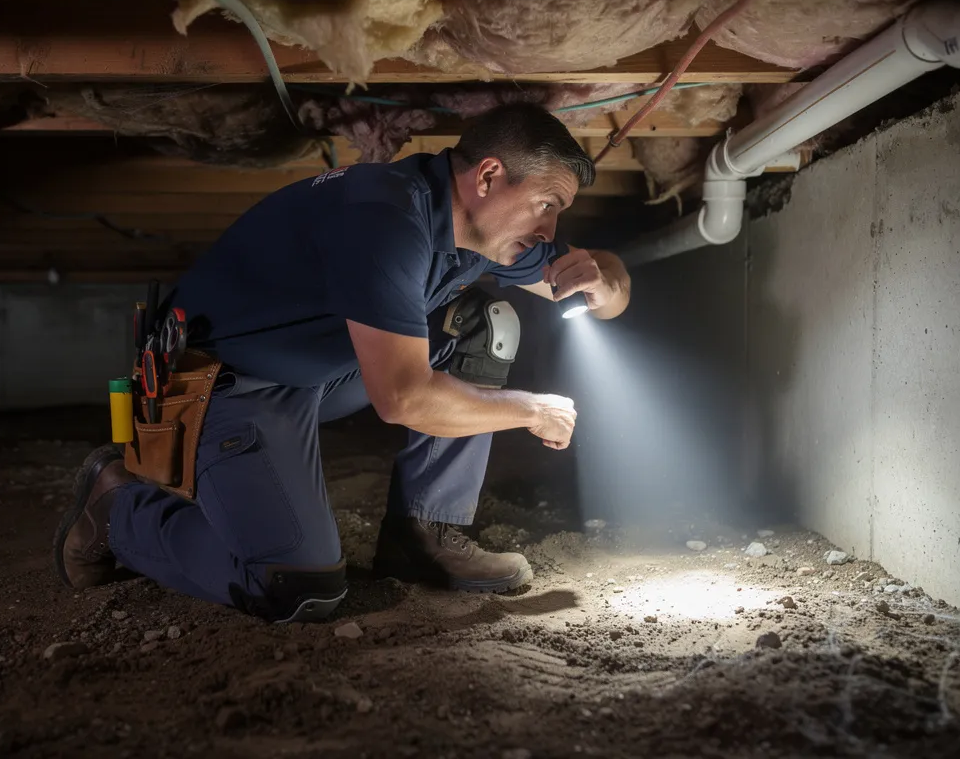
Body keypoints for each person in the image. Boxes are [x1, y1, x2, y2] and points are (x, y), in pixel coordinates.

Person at [53, 102, 632, 622]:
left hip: (319, 371)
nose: (551, 229)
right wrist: (528, 409)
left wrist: (602, 282)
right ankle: (119, 504)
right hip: (226, 385)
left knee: (482, 324)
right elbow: (402, 397)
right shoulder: (385, 220)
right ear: (488, 177)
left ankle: (422, 536)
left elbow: (608, 285)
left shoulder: (479, 227)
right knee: (296, 587)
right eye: (547, 206)